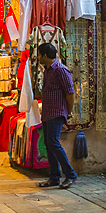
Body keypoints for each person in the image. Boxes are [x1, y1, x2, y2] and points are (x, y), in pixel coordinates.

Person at [37, 43, 78, 189]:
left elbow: (70, 92)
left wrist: (69, 111)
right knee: (49, 144)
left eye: (39, 54)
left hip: (57, 112)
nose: (38, 57)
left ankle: (70, 174)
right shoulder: (47, 70)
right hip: (48, 113)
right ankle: (54, 176)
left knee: (53, 142)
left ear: (45, 56)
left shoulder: (61, 70)